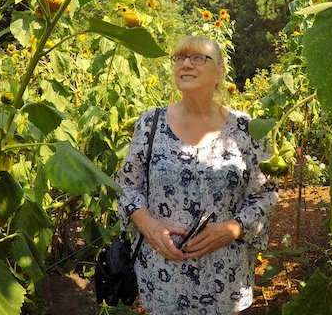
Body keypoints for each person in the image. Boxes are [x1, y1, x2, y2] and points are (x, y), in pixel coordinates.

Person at [116, 35, 278, 314]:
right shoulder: (150, 123)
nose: (185, 64)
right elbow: (127, 187)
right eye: (179, 58)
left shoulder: (247, 129)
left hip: (225, 276)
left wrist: (234, 228)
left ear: (220, 72)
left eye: (197, 58)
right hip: (163, 275)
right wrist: (149, 226)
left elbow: (265, 194)